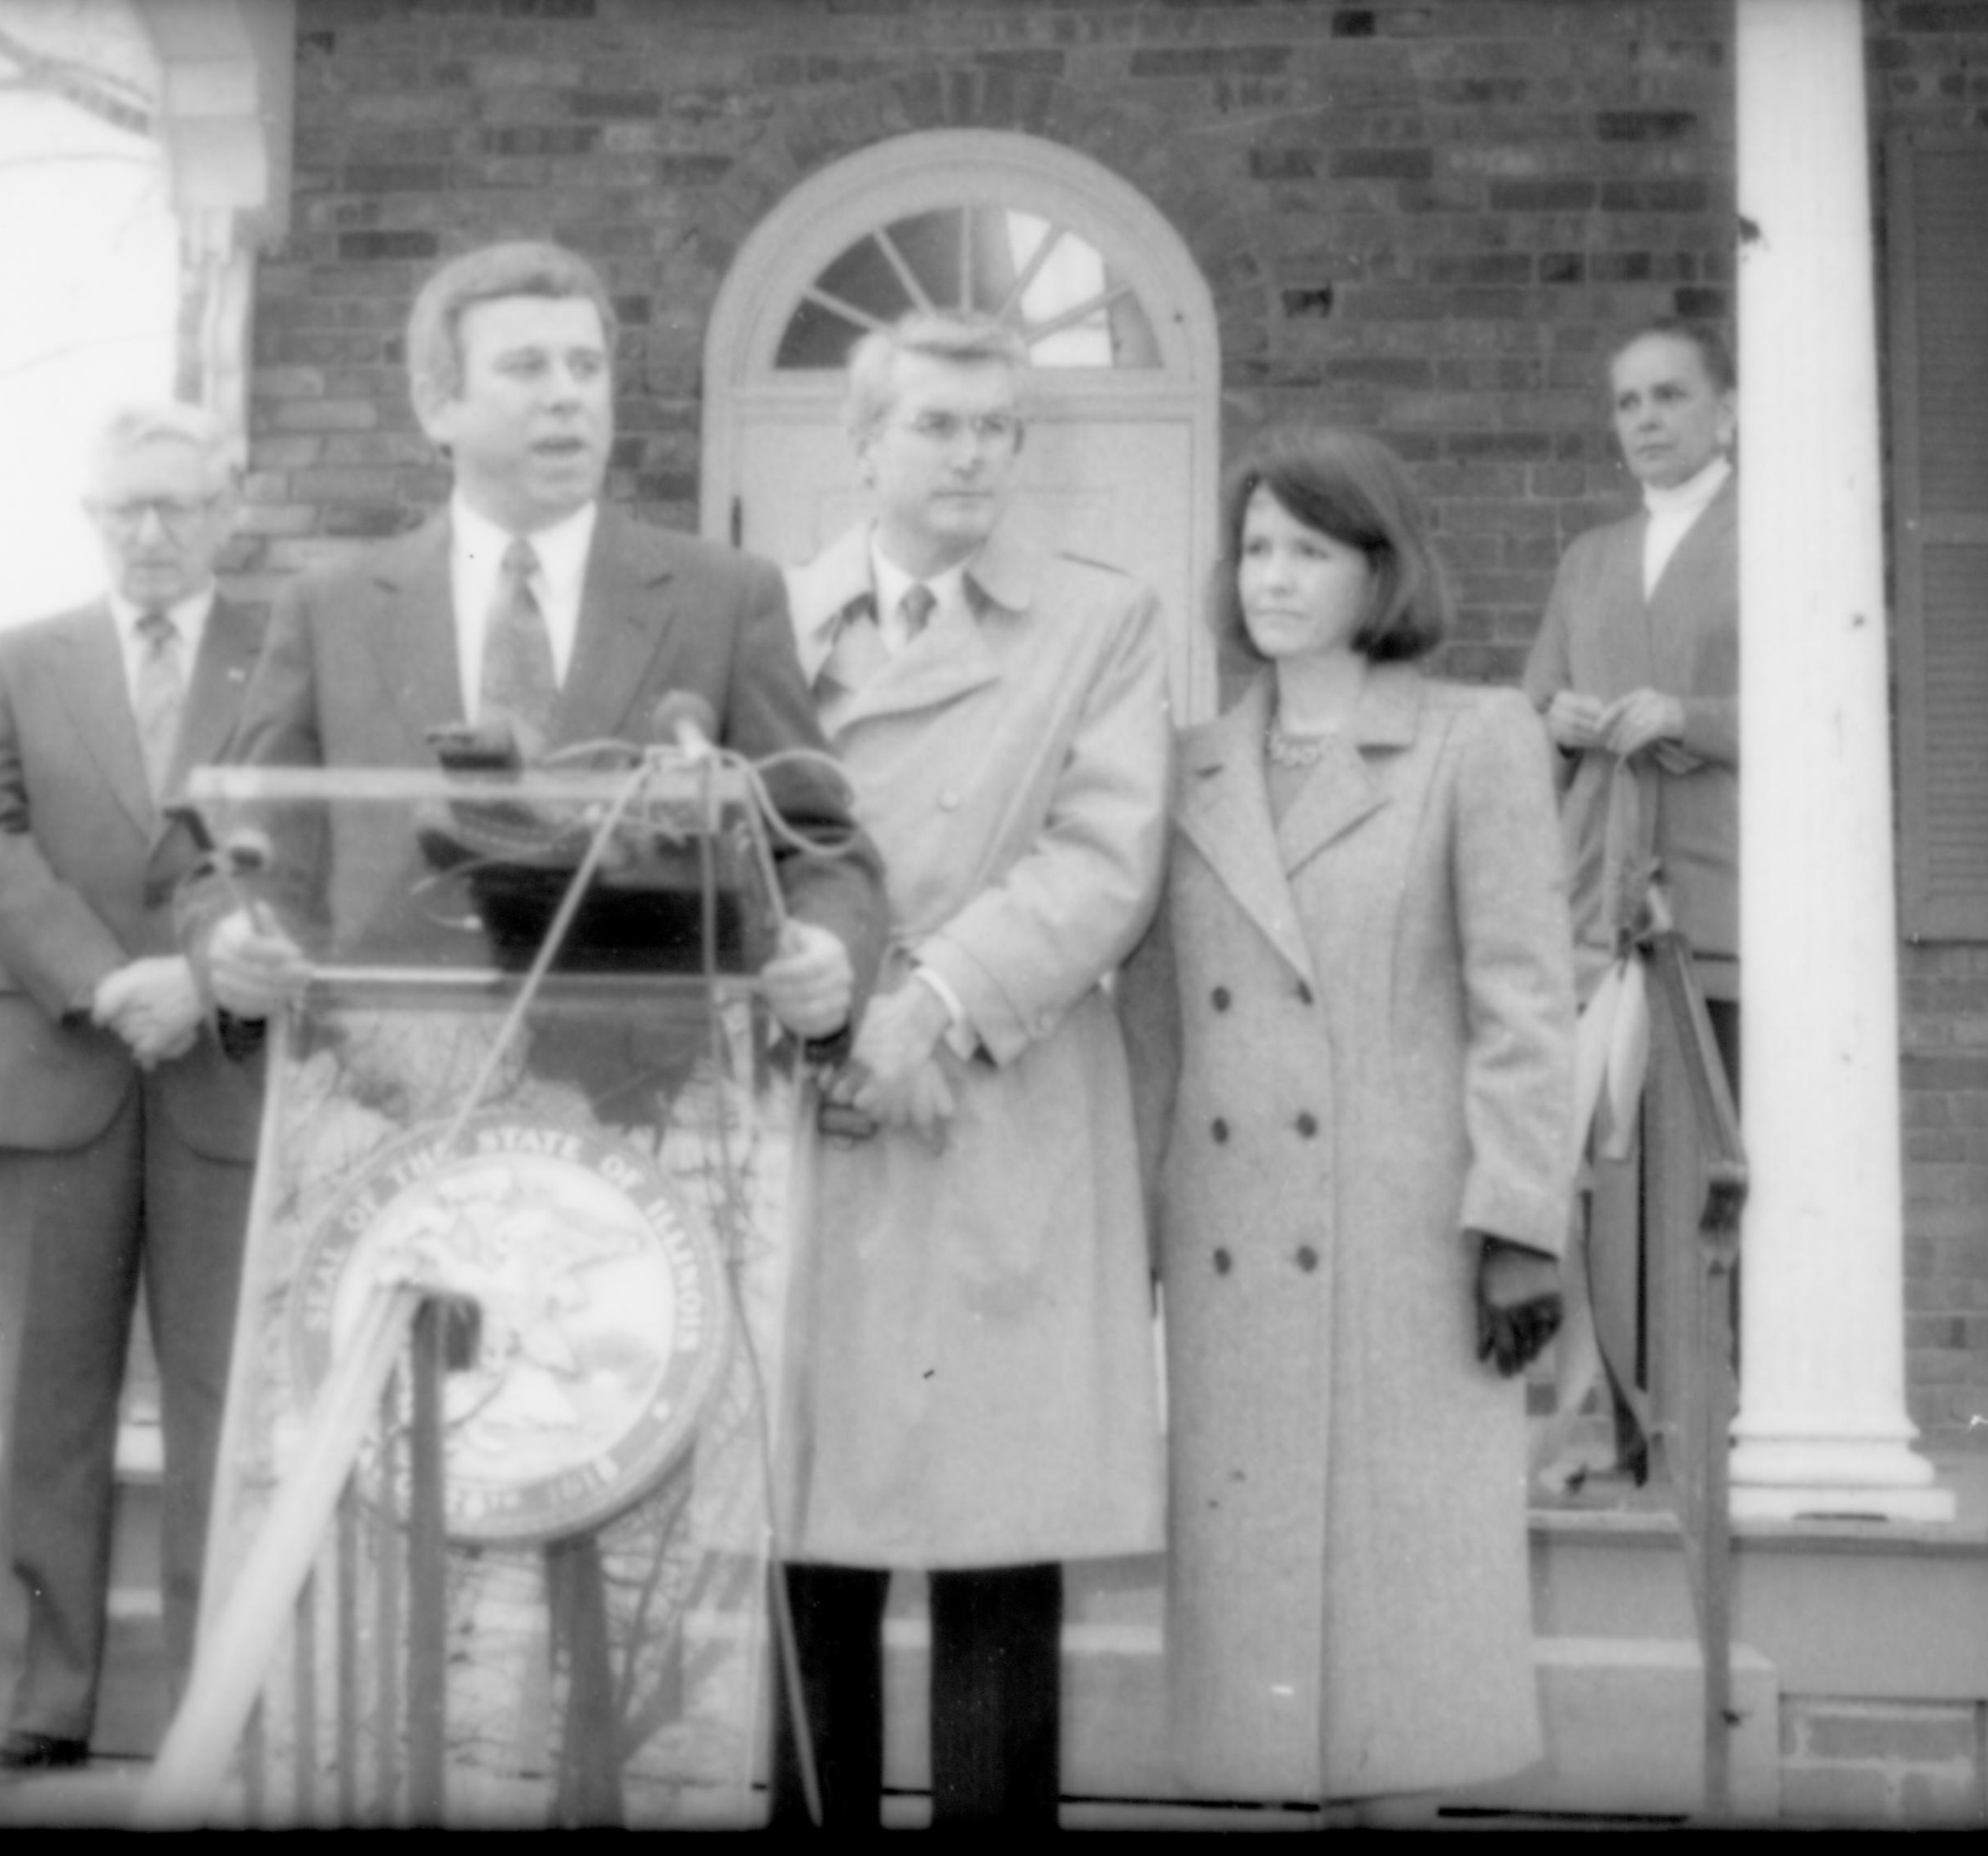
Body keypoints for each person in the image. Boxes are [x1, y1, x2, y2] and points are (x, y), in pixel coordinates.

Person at [1124, 427, 1574, 1814]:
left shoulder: (1473, 739)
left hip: (1407, 1244)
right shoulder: (1187, 763)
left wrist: (1516, 1224)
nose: (1271, 576)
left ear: (1381, 571)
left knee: (1403, 1646)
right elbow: (1154, 1026)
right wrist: (1130, 1233)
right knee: (1258, 1638)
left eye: (1307, 550)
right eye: (1255, 547)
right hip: (1230, 1245)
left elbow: (1525, 1002)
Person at [768, 310, 1171, 1828]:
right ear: (862, 443)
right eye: (939, 424)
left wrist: (927, 1002)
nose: (974, 454)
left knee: (999, 1540)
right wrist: (832, 1014)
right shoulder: (772, 616)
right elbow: (724, 843)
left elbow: (1105, 858)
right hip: (820, 1106)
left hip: (997, 1099)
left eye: (1000, 427)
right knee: (812, 1538)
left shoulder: (1098, 621)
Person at [188, 239, 886, 1048]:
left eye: (586, 369)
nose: (568, 398)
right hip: (385, 1097)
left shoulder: (724, 601)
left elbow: (821, 845)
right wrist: (233, 952)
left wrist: (830, 951)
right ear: (435, 404)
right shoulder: (327, 611)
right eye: (527, 368)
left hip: (651, 1113)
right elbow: (249, 855)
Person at [0, 403, 265, 1778]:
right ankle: (37, 1695)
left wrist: (202, 971)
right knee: (50, 1396)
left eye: (174, 507)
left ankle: (219, 1699)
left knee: (224, 1401)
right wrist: (105, 978)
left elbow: (300, 830)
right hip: (57, 1059)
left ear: (224, 511)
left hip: (229, 1057)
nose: (147, 532)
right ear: (91, 515)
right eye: (122, 507)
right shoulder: (16, 661)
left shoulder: (285, 649)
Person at [1522, 319, 1740, 1487]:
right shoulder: (1592, 558)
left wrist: (1692, 720)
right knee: (1578, 1179)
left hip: (1716, 911)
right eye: (1627, 403)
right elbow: (1528, 717)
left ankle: (1705, 1430)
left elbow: (1827, 716)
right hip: (1592, 908)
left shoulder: (1778, 536)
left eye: (1670, 395)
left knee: (1695, 1188)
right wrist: (1553, 722)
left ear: (1727, 408)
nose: (1646, 419)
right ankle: (1600, 1424)